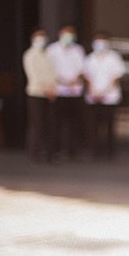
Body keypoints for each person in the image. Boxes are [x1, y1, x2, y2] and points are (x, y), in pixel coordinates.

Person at [45, 26, 86, 160]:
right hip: (58, 90)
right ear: (60, 35)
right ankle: (54, 150)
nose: (68, 38)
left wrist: (73, 80)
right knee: (55, 123)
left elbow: (82, 69)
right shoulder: (52, 50)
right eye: (66, 35)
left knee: (73, 123)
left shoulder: (78, 50)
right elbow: (48, 69)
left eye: (71, 35)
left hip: (74, 91)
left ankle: (72, 151)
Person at [83, 32, 125, 159]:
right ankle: (95, 151)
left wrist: (105, 91)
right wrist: (93, 91)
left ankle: (110, 152)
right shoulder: (90, 58)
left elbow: (116, 77)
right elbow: (86, 77)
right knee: (94, 126)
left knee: (109, 125)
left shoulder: (114, 58)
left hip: (109, 97)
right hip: (94, 97)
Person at [21, 28, 57, 162]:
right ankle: (33, 153)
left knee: (49, 124)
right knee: (36, 124)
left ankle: (49, 153)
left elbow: (52, 73)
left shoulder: (47, 54)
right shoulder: (30, 55)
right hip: (36, 93)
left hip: (49, 93)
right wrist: (45, 88)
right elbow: (33, 75)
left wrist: (52, 87)